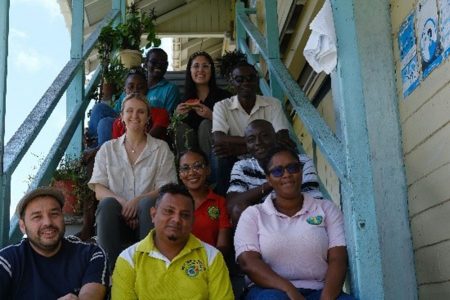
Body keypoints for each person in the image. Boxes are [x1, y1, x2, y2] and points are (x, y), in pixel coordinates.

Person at [234, 145, 353, 300]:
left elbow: (338, 259)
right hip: (268, 291)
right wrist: (289, 290)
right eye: (278, 171)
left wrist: (326, 299)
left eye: (293, 168)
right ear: (269, 179)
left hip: (321, 292)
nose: (287, 175)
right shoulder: (253, 215)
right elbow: (248, 263)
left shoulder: (326, 209)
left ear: (301, 172)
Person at [88, 93, 177, 271]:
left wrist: (138, 203)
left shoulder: (161, 148)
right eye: (129, 111)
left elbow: (165, 188)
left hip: (149, 219)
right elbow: (99, 189)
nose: (135, 116)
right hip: (116, 219)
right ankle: (112, 273)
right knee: (107, 204)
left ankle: (148, 270)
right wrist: (124, 204)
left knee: (149, 203)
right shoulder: (108, 149)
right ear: (121, 117)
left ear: (148, 117)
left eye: (141, 112)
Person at [111, 183, 234, 300]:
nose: (176, 220)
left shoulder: (211, 257)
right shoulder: (129, 259)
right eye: (169, 211)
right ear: (153, 215)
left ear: (192, 222)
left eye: (185, 215)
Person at [0, 187, 108, 300]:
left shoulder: (91, 254)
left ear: (63, 217)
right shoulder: (7, 261)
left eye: (54, 214)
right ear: (22, 226)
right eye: (37, 217)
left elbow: (91, 295)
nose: (48, 222)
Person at [212, 61, 293, 195]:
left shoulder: (273, 104)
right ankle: (224, 198)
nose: (246, 83)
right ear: (232, 82)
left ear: (257, 80)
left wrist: (244, 146)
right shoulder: (222, 106)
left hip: (266, 155)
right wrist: (261, 143)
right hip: (235, 157)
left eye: (251, 78)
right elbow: (219, 139)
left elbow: (282, 137)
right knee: (220, 154)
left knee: (289, 147)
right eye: (240, 79)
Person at [227, 119, 323, 225]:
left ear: (276, 138)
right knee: (239, 210)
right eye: (251, 139)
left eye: (265, 136)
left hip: (298, 218)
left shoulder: (300, 162)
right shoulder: (242, 166)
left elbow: (315, 199)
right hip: (262, 225)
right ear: (247, 145)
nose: (258, 142)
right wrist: (272, 183)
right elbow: (232, 205)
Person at [87, 68, 170, 147]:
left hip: (147, 155)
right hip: (122, 152)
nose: (135, 91)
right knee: (99, 109)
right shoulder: (118, 123)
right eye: (131, 87)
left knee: (105, 122)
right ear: (125, 90)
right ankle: (93, 144)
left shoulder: (161, 113)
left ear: (147, 90)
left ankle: (96, 151)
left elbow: (148, 142)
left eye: (140, 87)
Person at [174, 51, 231, 154]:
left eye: (205, 66)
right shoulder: (184, 100)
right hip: (191, 151)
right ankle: (187, 166)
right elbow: (172, 128)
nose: (200, 70)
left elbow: (234, 125)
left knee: (206, 124)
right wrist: (176, 117)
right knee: (180, 127)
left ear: (211, 70)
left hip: (216, 151)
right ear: (190, 71)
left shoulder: (225, 97)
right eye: (196, 66)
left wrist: (212, 116)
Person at [178, 149, 232, 255]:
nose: (191, 172)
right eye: (185, 168)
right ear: (180, 174)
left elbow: (223, 246)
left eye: (197, 166)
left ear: (208, 170)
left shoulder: (220, 202)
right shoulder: (175, 203)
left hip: (212, 263)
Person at [114, 48, 180, 115]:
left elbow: (169, 118)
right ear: (145, 63)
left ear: (166, 66)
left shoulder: (170, 89)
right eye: (154, 62)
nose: (159, 65)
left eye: (163, 63)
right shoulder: (132, 85)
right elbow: (115, 113)